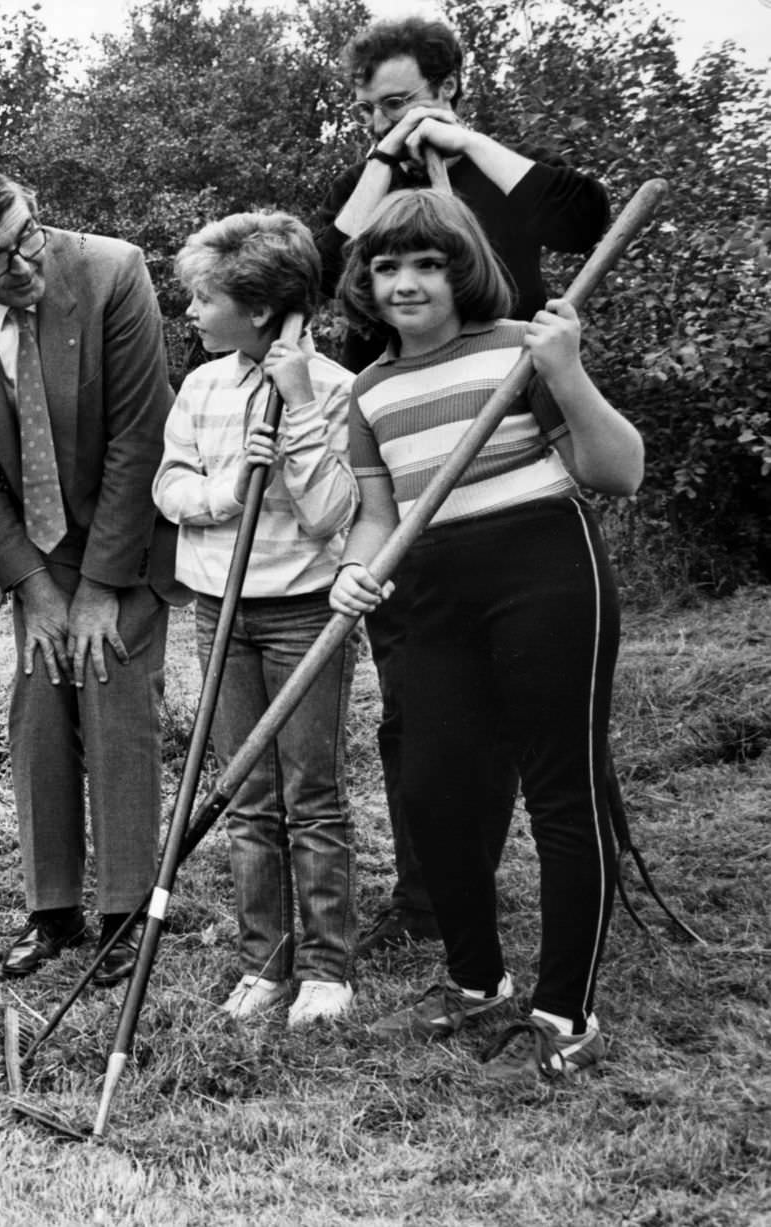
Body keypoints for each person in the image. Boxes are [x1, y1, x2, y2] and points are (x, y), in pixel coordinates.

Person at [311, 15, 611, 955]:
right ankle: (432, 907)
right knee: (425, 725)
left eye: (399, 101)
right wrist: (378, 159)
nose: (384, 121)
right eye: (367, 108)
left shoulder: (493, 174)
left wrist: (464, 143)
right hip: (401, 466)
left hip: (513, 439)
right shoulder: (371, 195)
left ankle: (576, 906)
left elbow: (583, 216)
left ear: (448, 90)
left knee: (548, 726)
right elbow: (323, 270)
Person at [330, 189, 642, 1081]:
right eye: (386, 265)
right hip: (429, 587)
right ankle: (473, 977)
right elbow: (376, 514)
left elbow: (617, 472)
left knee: (559, 791)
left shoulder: (520, 348)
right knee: (431, 789)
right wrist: (359, 568)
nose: (406, 281)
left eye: (426, 262)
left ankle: (563, 1007)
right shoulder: (370, 391)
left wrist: (567, 370)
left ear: (458, 266)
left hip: (543, 566)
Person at [0, 165, 180, 984]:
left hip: (118, 540)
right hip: (32, 548)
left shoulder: (112, 270)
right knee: (36, 714)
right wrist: (33, 584)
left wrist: (98, 587)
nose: (24, 260)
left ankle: (125, 913)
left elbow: (141, 434)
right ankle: (50, 910)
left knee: (114, 701)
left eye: (28, 233)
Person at [152, 211, 360, 1026]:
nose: (192, 313)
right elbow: (170, 488)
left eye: (205, 298)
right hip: (219, 609)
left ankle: (326, 969)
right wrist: (228, 491)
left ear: (263, 310)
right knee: (245, 792)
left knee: (312, 794)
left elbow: (326, 515)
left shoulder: (337, 389)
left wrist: (300, 410)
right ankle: (263, 962)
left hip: (304, 613)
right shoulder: (200, 386)